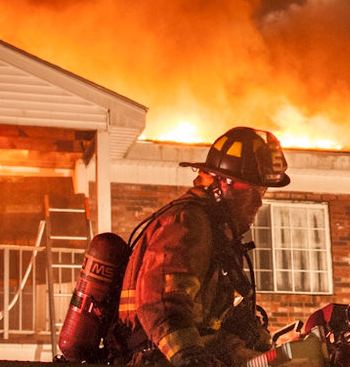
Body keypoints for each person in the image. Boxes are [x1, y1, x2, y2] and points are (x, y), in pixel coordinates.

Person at [116, 126, 290, 366]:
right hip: (157, 358)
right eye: (251, 190)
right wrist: (191, 357)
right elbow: (162, 304)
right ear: (222, 185)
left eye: (263, 191)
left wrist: (267, 348)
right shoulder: (188, 222)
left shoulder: (220, 232)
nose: (259, 201)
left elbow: (221, 316)